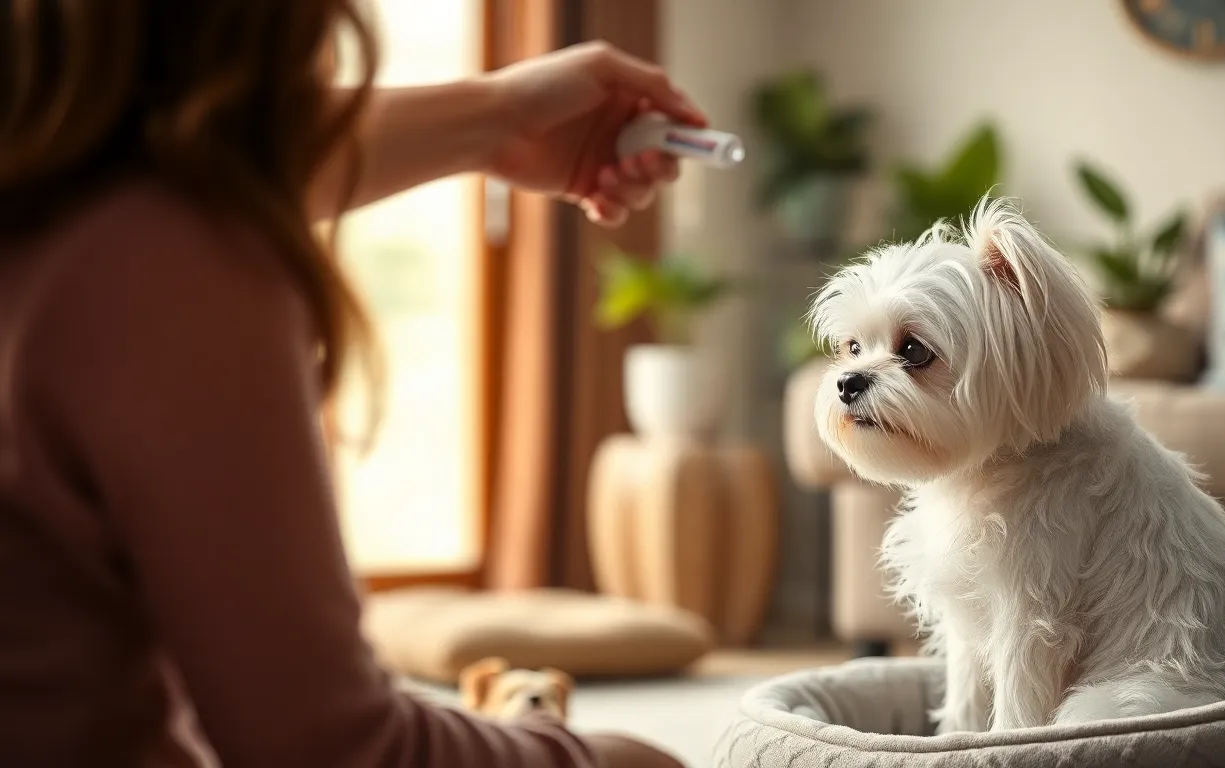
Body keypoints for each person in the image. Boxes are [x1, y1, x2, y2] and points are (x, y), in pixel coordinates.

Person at [0, 3, 703, 766]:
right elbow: (334, 750)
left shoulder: (58, 204)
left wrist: (496, 118)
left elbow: (193, 158)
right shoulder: (163, 263)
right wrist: (602, 760)